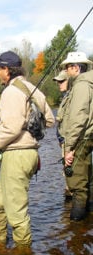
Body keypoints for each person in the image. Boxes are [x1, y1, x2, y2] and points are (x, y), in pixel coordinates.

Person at [0, 51, 55, 247]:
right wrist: (30, 131)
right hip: (27, 156)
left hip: (17, 156)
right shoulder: (33, 89)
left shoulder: (11, 91)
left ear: (7, 69)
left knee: (16, 215)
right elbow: (49, 120)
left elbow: (10, 128)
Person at [61, 52, 93, 221]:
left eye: (68, 67)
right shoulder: (89, 83)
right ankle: (87, 226)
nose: (66, 71)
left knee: (77, 185)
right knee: (89, 181)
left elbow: (79, 117)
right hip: (88, 137)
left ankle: (76, 229)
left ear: (76, 67)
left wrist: (69, 147)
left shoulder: (81, 86)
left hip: (81, 138)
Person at [53, 70, 73, 200]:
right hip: (64, 142)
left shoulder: (73, 97)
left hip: (70, 143)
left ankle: (76, 212)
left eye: (62, 81)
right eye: (58, 81)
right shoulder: (66, 97)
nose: (59, 84)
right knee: (67, 178)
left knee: (72, 178)